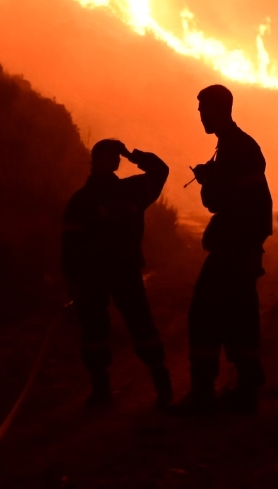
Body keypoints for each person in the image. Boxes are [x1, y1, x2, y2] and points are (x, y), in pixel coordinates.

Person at [172, 85, 273, 415]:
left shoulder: (236, 149)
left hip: (234, 247)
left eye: (203, 108)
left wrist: (207, 180)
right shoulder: (234, 146)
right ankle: (245, 388)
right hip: (239, 246)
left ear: (220, 109)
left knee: (204, 315)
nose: (199, 114)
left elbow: (227, 200)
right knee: (239, 316)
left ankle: (205, 394)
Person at [62, 139, 173, 409]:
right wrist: (73, 283)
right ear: (96, 160)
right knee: (96, 332)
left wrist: (132, 153)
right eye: (110, 154)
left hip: (118, 271)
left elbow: (160, 171)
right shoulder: (89, 200)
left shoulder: (126, 191)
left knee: (139, 326)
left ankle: (162, 388)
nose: (116, 159)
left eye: (117, 155)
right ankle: (104, 392)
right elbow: (70, 246)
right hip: (97, 275)